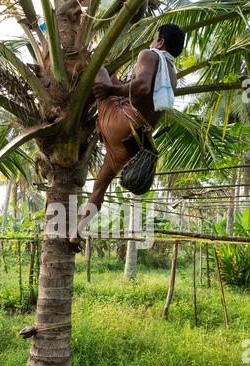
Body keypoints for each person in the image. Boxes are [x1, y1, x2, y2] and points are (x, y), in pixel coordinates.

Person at [69, 23, 185, 252]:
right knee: (99, 187)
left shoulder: (150, 55)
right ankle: (77, 232)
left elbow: (141, 87)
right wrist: (118, 88)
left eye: (154, 38)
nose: (152, 42)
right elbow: (144, 95)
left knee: (99, 70)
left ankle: (71, 118)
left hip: (123, 124)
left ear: (160, 42)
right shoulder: (171, 73)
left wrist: (111, 90)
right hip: (133, 143)